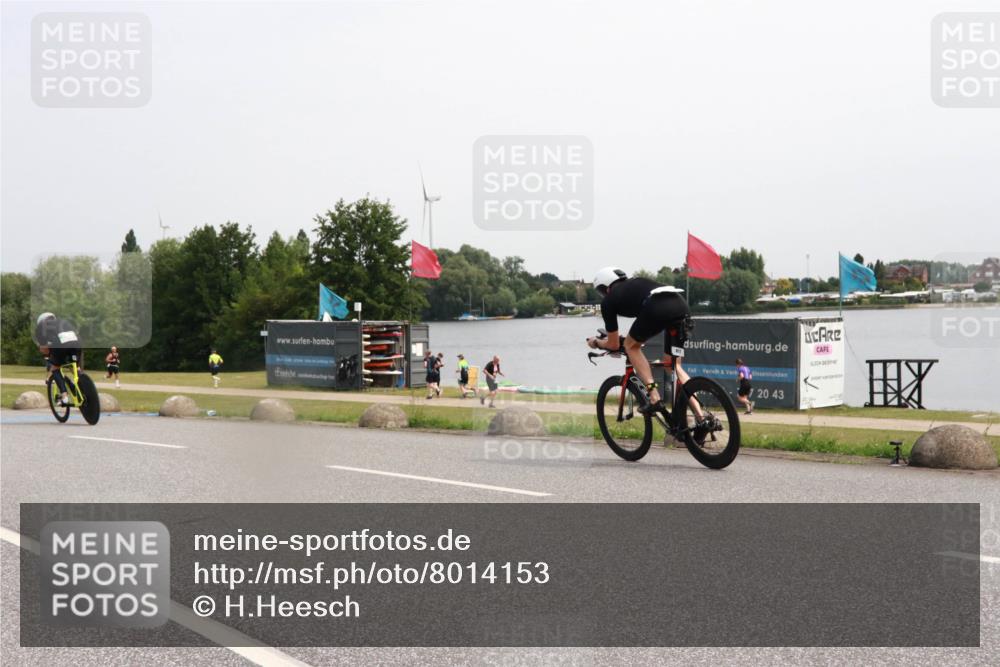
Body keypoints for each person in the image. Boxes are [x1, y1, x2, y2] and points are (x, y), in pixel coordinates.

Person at [586, 267, 695, 415]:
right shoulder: (636, 283)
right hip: (680, 305)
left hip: (656, 307)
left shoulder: (608, 301)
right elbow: (644, 321)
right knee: (673, 366)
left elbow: (613, 344)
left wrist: (596, 342)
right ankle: (702, 417)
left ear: (606, 287)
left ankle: (654, 397)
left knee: (631, 347)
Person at [33, 312, 82, 407]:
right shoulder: (63, 321)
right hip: (77, 342)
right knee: (75, 367)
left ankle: (64, 396)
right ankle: (85, 387)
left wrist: (48, 353)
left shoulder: (40, 327)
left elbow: (44, 349)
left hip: (61, 344)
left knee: (55, 368)